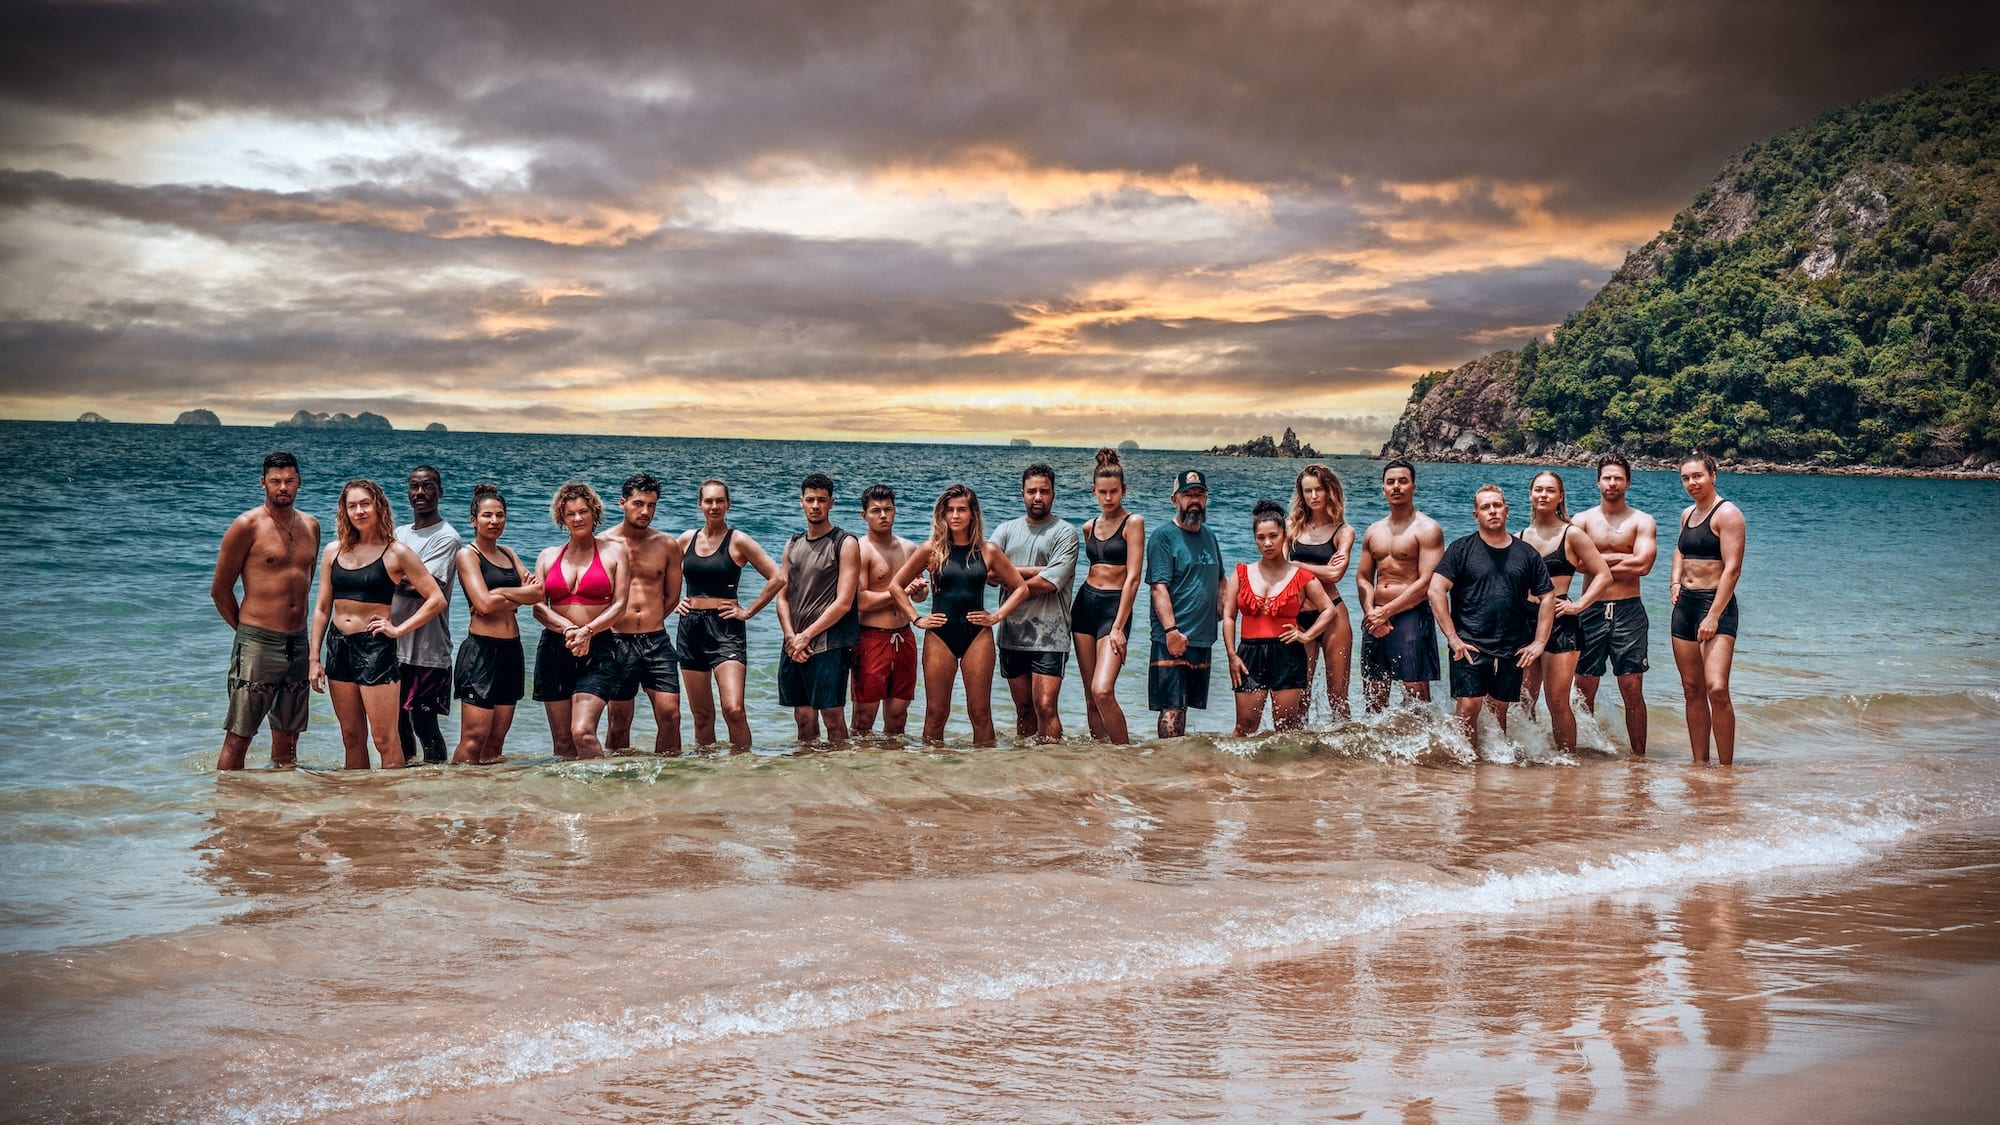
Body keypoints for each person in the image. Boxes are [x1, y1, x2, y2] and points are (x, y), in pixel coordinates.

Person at [308, 480, 447, 769]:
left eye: (365, 504)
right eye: (352, 505)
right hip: (338, 646)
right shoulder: (333, 551)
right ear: (344, 511)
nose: (359, 511)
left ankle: (388, 806)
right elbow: (322, 608)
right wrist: (314, 658)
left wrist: (398, 629)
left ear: (378, 506)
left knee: (385, 739)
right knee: (351, 737)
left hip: (375, 649)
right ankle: (358, 804)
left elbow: (436, 599)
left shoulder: (396, 552)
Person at [888, 484, 1032, 746]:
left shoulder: (988, 551)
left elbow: (1021, 588)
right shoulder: (931, 549)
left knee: (980, 713)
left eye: (961, 510)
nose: (955, 515)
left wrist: (996, 616)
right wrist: (916, 618)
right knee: (935, 714)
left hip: (977, 635)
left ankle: (981, 778)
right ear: (942, 515)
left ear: (973, 514)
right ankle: (933, 775)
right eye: (950, 510)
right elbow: (896, 586)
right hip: (939, 635)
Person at [210, 451, 321, 770]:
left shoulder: (311, 526)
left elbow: (306, 582)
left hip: (297, 644)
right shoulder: (247, 525)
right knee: (239, 735)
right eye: (275, 481)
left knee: (289, 737)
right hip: (258, 642)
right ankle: (228, 809)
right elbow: (220, 590)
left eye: (289, 480)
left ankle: (280, 804)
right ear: (263, 484)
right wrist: (247, 632)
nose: (282, 487)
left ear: (299, 482)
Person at [1429, 484, 1556, 755]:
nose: (1492, 511)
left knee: (1500, 708)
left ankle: (1492, 768)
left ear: (1507, 511)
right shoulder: (1461, 549)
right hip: (1469, 644)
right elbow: (1436, 589)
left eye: (1497, 505)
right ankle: (1466, 764)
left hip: (1513, 647)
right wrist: (1452, 638)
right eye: (1485, 507)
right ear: (1476, 515)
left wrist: (1540, 642)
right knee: (1468, 705)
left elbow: (1547, 596)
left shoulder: (1527, 553)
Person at [675, 479, 783, 752]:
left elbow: (777, 577)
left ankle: (743, 769)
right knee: (702, 717)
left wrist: (747, 611)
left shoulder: (738, 540)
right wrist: (672, 603)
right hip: (690, 629)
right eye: (708, 501)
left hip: (726, 629)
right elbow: (659, 575)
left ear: (728, 504)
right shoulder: (686, 539)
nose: (714, 506)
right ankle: (708, 776)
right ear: (700, 504)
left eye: (719, 501)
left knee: (734, 710)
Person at [1515, 471, 1613, 754]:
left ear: (1560, 497)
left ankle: (1566, 760)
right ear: (1531, 494)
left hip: (1561, 621)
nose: (1543, 495)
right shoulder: (1519, 537)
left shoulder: (1572, 534)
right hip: (1526, 622)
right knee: (1524, 698)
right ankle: (1532, 755)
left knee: (1557, 699)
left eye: (1550, 490)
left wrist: (1579, 605)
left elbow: (1603, 575)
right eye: (1538, 490)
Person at [531, 482, 629, 760]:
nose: (577, 518)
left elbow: (620, 604)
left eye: (583, 511)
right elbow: (538, 608)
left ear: (594, 513)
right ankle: (571, 799)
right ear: (562, 517)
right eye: (570, 513)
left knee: (582, 732)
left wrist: (588, 631)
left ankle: (604, 792)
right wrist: (569, 629)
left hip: (598, 648)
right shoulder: (547, 556)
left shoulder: (615, 552)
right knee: (562, 742)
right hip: (554, 647)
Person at [1222, 500, 1338, 734]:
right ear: (1255, 539)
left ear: (1284, 536)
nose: (1267, 543)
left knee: (1286, 728)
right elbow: (1229, 616)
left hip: (1288, 654)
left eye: (1273, 536)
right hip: (1249, 655)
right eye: (1261, 537)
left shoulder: (1301, 576)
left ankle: (1285, 772)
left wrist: (1306, 636)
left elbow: (1329, 610)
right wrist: (1232, 655)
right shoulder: (1242, 573)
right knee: (1244, 727)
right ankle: (1239, 772)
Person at [1572, 454, 1659, 757]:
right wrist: (1624, 559)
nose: (1612, 483)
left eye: (1618, 478)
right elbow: (1577, 563)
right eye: (1607, 477)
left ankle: (1639, 758)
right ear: (1598, 481)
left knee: (1632, 687)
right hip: (1591, 609)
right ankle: (1586, 753)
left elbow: (1644, 564)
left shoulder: (1641, 521)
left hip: (1628, 610)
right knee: (1584, 688)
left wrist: (1598, 562)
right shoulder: (1582, 520)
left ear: (1628, 482)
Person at [450, 485, 542, 764]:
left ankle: (488, 802)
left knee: (497, 738)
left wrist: (501, 594)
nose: (494, 521)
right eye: (487, 515)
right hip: (481, 652)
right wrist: (515, 597)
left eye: (500, 515)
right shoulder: (468, 555)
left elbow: (538, 592)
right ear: (473, 520)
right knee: (474, 737)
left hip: (511, 652)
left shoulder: (508, 552)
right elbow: (483, 604)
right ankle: (458, 795)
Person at [991, 463, 1081, 741]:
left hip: (1050, 636)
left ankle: (1052, 764)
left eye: (1044, 491)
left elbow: (1050, 583)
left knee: (1045, 706)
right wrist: (1038, 569)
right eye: (1032, 491)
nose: (1038, 497)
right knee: (1024, 710)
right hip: (1011, 634)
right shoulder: (1006, 530)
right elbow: (988, 573)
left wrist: (1011, 572)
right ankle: (1027, 768)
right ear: (1022, 494)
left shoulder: (1065, 533)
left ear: (1053, 494)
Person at [599, 474, 686, 756]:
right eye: (638, 503)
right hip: (616, 641)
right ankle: (617, 778)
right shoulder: (602, 543)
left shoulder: (667, 545)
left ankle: (670, 780)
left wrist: (649, 619)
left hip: (656, 641)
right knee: (619, 721)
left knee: (671, 715)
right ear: (622, 503)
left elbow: (672, 597)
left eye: (652, 505)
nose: (645, 511)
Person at [1670, 452, 1746, 766]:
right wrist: (1674, 583)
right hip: (1685, 607)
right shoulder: (1687, 513)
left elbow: (1733, 569)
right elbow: (1679, 549)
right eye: (1686, 477)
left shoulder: (1727, 514)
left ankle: (1726, 768)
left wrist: (1713, 615)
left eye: (1698, 476)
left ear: (1713, 475)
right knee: (1692, 689)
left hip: (1716, 605)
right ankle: (1700, 763)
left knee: (1716, 688)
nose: (1692, 483)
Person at [776, 473, 862, 743]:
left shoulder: (845, 543)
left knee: (833, 719)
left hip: (829, 644)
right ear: (801, 502)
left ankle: (839, 779)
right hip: (794, 643)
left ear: (831, 503)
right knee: (803, 718)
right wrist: (792, 637)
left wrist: (806, 636)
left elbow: (844, 602)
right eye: (810, 500)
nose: (815, 505)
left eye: (821, 500)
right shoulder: (792, 544)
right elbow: (782, 596)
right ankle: (807, 781)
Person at [1356, 460, 1445, 711]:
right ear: (1383, 488)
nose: (1396, 486)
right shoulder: (1373, 531)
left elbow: (1427, 581)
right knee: (1374, 695)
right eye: (1391, 482)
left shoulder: (1428, 529)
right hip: (1375, 617)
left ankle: (1425, 750)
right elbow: (1363, 577)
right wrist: (1371, 613)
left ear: (1413, 487)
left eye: (1403, 481)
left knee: (1416, 695)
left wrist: (1387, 612)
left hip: (1411, 615)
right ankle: (1378, 749)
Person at [1071, 449, 1146, 744]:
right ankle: (1100, 759)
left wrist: (1118, 627)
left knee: (1103, 690)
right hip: (1084, 607)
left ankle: (1124, 755)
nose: (1108, 498)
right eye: (1102, 492)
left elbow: (1134, 577)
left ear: (1123, 489)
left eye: (1114, 491)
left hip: (1114, 610)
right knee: (1091, 694)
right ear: (1093, 491)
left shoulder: (1133, 523)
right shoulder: (1089, 527)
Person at [1145, 469, 1224, 738]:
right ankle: (1166, 768)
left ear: (1206, 499)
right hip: (1173, 638)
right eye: (1187, 495)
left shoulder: (1210, 536)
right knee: (1171, 709)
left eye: (1199, 495)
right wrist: (1170, 631)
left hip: (1202, 639)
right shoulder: (1162, 536)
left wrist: (1225, 611)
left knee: (1184, 707)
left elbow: (1221, 579)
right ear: (1174, 499)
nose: (1194, 500)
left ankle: (1178, 771)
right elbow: (1158, 588)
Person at [391, 466, 461, 764]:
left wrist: (384, 574)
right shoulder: (398, 534)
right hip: (394, 646)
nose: (420, 492)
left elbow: (416, 588)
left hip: (427, 650)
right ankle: (407, 781)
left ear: (440, 492)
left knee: (424, 725)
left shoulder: (447, 537)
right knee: (397, 723)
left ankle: (434, 784)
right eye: (414, 487)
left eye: (428, 486)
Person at [851, 485, 922, 737]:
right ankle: (860, 770)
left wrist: (918, 589)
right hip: (871, 637)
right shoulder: (860, 549)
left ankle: (893, 769)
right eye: (876, 510)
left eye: (888, 509)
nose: (883, 515)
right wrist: (899, 591)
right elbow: (860, 601)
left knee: (898, 716)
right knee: (863, 716)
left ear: (895, 511)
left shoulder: (909, 548)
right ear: (864, 515)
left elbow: (921, 595)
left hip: (904, 636)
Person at [1287, 463, 1356, 720]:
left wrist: (1296, 565)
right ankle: (1302, 757)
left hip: (1334, 616)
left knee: (1338, 697)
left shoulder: (1343, 531)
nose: (1313, 496)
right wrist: (1316, 569)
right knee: (1299, 696)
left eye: (1319, 489)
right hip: (1297, 618)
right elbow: (1280, 571)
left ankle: (1344, 757)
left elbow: (1336, 574)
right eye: (1307, 491)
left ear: (1330, 491)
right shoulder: (1291, 526)